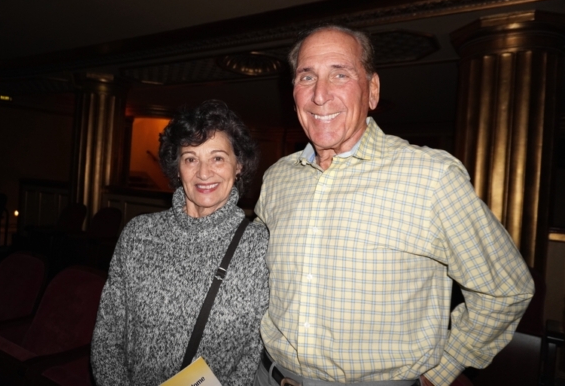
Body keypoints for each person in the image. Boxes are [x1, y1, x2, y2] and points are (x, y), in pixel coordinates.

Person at [253, 25, 534, 386]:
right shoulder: (278, 177)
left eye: (340, 74)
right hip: (267, 376)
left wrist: (441, 370)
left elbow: (506, 289)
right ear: (293, 94)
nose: (320, 95)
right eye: (307, 77)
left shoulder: (431, 177)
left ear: (372, 90)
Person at [91, 99, 269, 386]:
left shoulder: (259, 246)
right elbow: (107, 334)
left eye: (217, 158)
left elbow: (254, 352)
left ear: (239, 165)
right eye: (190, 159)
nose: (203, 173)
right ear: (177, 168)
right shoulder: (139, 235)